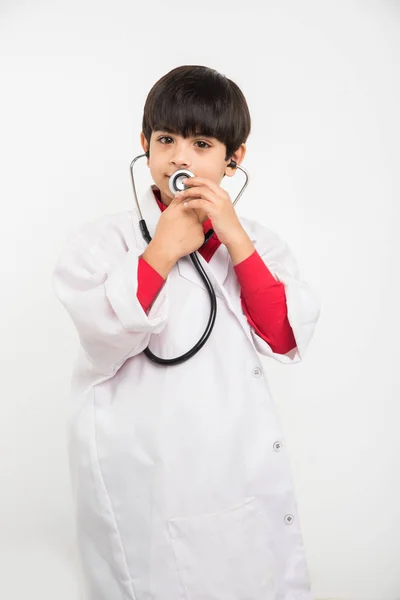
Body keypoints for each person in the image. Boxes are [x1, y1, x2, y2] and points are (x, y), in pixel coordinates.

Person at [53, 64, 321, 600]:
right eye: (166, 139)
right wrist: (163, 248)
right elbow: (103, 337)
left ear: (233, 158)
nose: (180, 156)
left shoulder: (256, 243)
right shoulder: (100, 243)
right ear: (144, 146)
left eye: (202, 143)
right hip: (148, 468)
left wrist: (235, 238)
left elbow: (283, 335)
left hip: (232, 460)